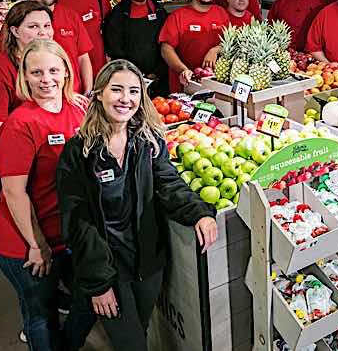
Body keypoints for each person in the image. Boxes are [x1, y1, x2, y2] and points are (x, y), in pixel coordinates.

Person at [57, 60, 218, 350]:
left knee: (139, 330)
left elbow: (169, 183)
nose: (125, 99)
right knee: (132, 344)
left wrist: (200, 213)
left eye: (133, 91)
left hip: (148, 263)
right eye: (116, 89)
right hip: (108, 266)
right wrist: (98, 283)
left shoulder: (148, 140)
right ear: (99, 93)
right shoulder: (78, 152)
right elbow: (77, 223)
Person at [0, 39, 85, 350]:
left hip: (64, 233)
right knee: (41, 316)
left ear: (66, 72)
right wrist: (37, 245)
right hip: (25, 241)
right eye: (37, 72)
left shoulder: (79, 108)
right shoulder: (21, 124)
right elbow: (13, 192)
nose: (46, 80)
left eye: (54, 70)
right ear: (24, 76)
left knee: (84, 301)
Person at [0, 1, 53, 198]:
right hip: (16, 164)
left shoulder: (53, 62)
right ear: (15, 31)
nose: (43, 32)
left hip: (48, 160)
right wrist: (8, 181)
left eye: (47, 25)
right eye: (33, 26)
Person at [19, 0, 94, 94]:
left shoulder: (71, 16)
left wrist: (87, 92)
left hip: (73, 98)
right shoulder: (18, 20)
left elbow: (83, 58)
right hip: (36, 99)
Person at [103, 0, 169, 98]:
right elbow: (114, 49)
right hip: (129, 80)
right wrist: (134, 74)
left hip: (159, 79)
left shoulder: (159, 10)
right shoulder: (118, 14)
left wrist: (157, 73)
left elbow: (167, 44)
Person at [159, 0, 230, 92]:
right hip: (184, 85)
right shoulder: (178, 16)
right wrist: (183, 70)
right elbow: (166, 49)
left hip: (215, 84)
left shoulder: (221, 13)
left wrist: (215, 50)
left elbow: (229, 42)